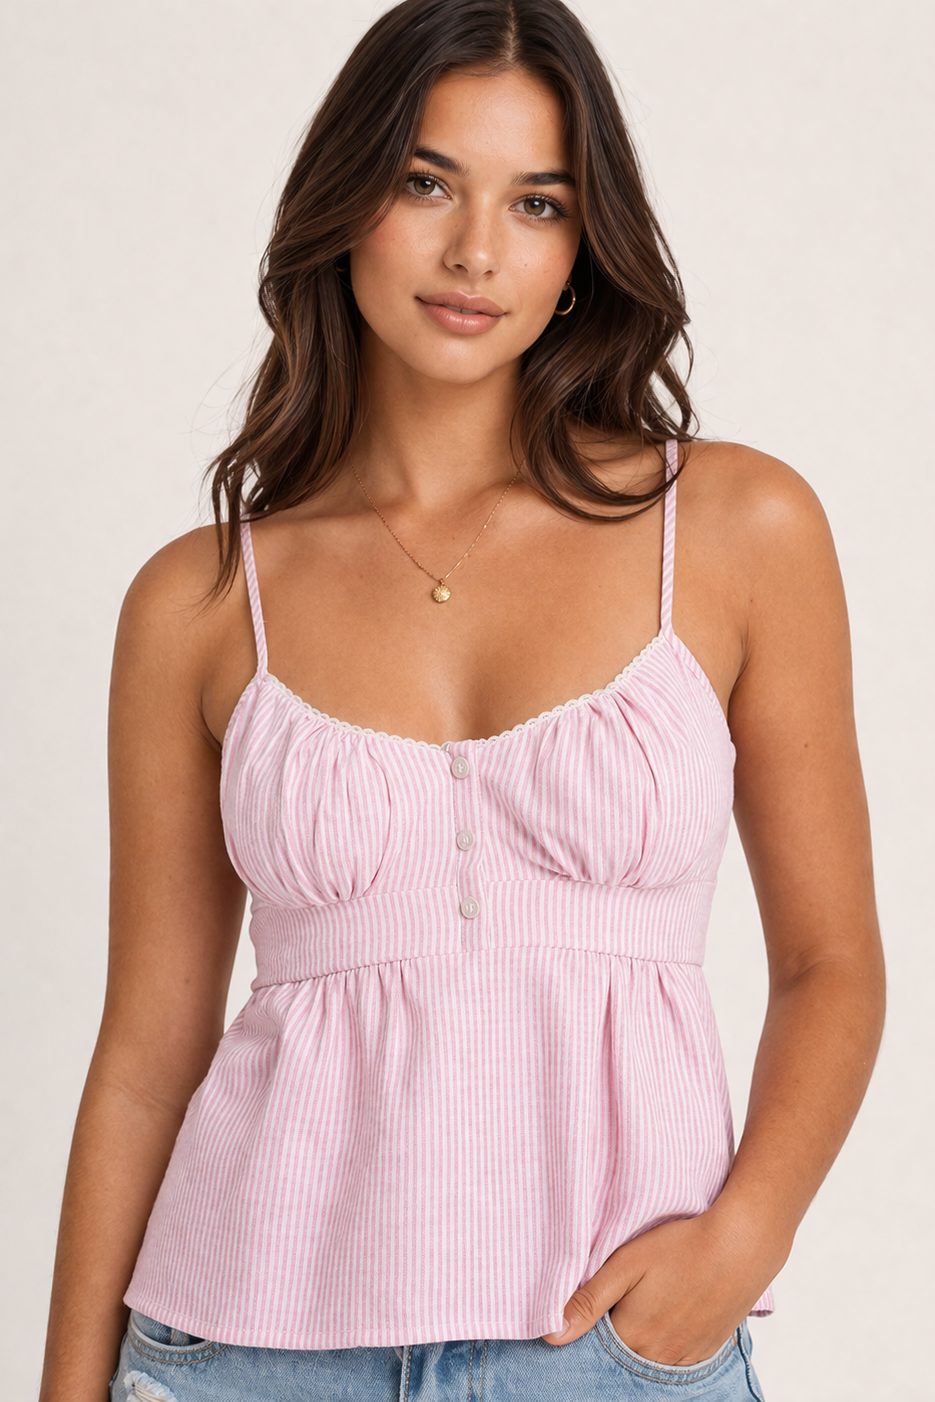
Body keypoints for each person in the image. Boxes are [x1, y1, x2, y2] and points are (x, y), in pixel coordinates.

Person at [38, 1, 885, 1398]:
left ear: (580, 244)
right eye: (427, 180)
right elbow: (145, 1052)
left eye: (536, 201)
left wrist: (739, 1243)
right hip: (243, 1350)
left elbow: (831, 968)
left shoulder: (733, 530)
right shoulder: (198, 603)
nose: (475, 250)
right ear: (345, 198)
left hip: (610, 1348)